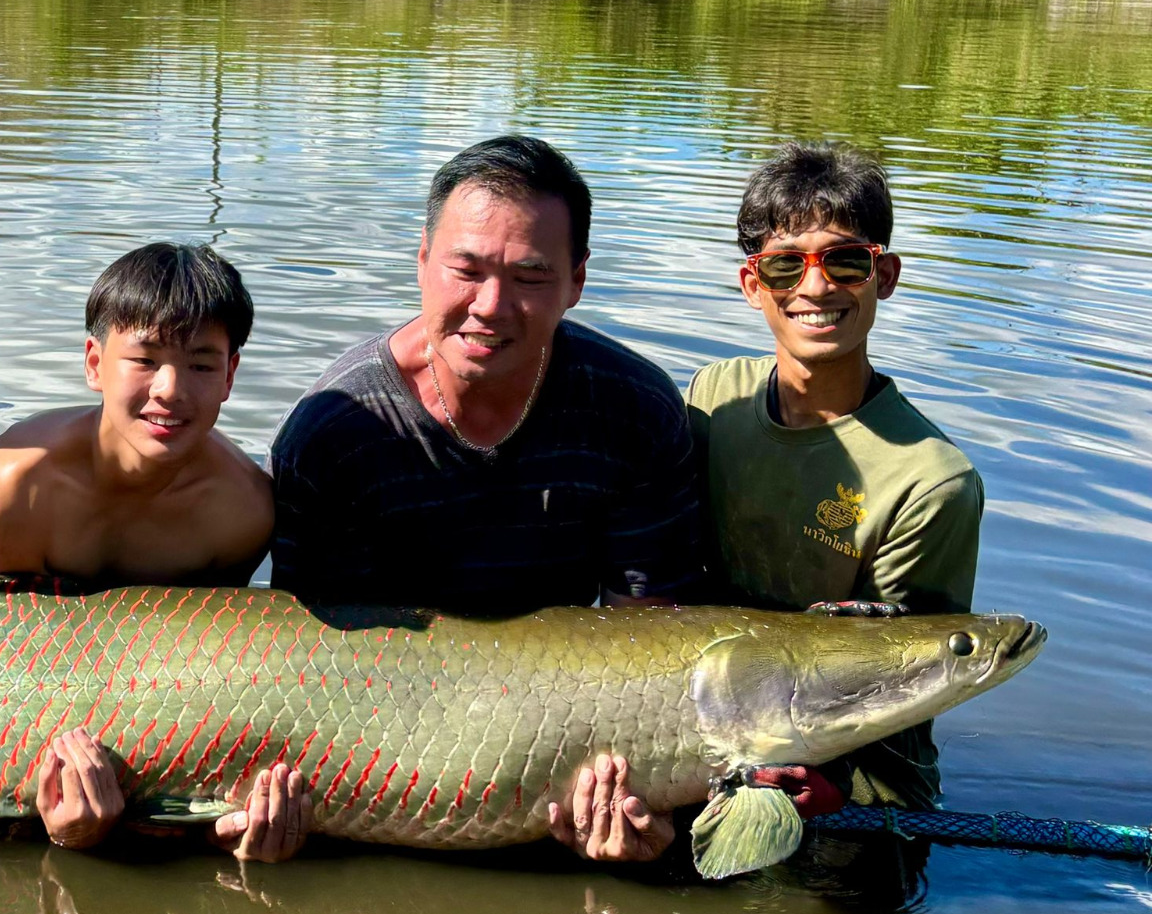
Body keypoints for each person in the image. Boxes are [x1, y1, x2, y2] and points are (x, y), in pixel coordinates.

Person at [269, 134, 704, 862]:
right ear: (422, 263)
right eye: (466, 271)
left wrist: (645, 800)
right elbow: (317, 665)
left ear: (577, 281)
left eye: (531, 276)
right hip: (380, 726)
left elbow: (649, 643)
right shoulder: (334, 431)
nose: (491, 306)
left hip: (560, 722)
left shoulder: (634, 410)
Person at [0, 242, 305, 861]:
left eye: (202, 365)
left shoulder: (243, 509)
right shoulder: (14, 488)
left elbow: (209, 675)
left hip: (150, 709)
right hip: (21, 689)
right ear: (95, 363)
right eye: (143, 360)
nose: (170, 391)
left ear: (231, 375)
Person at [687, 140, 984, 810]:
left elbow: (905, 695)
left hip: (850, 780)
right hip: (699, 725)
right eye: (786, 266)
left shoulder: (931, 481)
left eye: (845, 261)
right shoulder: (712, 398)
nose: (815, 287)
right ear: (751, 284)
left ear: (886, 275)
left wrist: (819, 787)